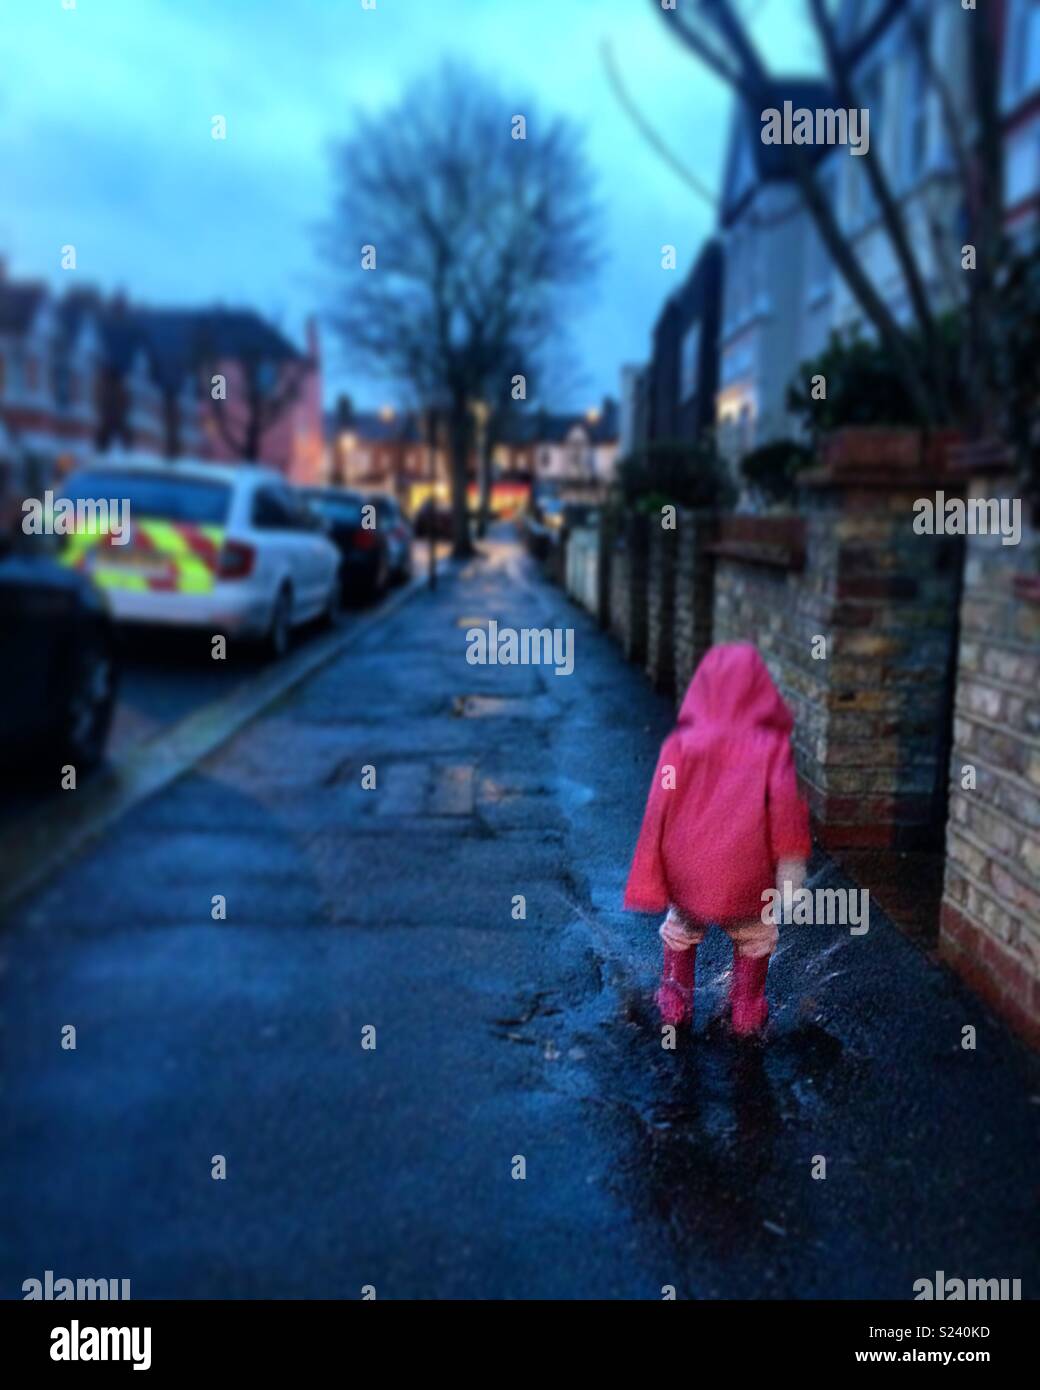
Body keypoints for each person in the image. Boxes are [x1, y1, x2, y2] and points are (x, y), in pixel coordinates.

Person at [624, 643, 810, 1035]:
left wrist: (651, 872)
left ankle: (674, 1006)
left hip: (687, 872)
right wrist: (790, 872)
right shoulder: (771, 750)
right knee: (755, 936)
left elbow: (659, 807)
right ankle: (746, 1013)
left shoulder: (679, 745)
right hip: (747, 878)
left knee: (681, 931)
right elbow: (785, 812)